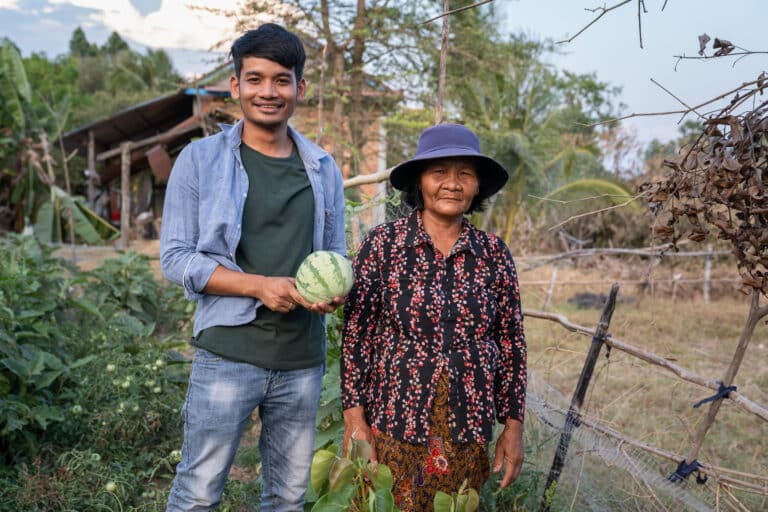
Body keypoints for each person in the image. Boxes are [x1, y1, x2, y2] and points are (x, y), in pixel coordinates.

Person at [160, 23, 347, 512]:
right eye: (256, 78)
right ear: (236, 86)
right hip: (228, 353)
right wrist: (259, 286)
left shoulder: (324, 168)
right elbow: (176, 259)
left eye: (282, 80)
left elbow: (334, 255)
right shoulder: (199, 161)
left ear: (300, 88)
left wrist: (334, 290)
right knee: (198, 494)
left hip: (302, 361)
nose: (269, 91)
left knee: (287, 498)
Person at [340, 123, 526, 510]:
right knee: (385, 502)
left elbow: (511, 344)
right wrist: (355, 421)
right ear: (420, 181)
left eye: (465, 174)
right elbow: (357, 337)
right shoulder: (384, 245)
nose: (452, 184)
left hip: (467, 425)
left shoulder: (492, 253)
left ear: (477, 187)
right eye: (439, 172)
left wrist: (513, 427)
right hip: (393, 420)